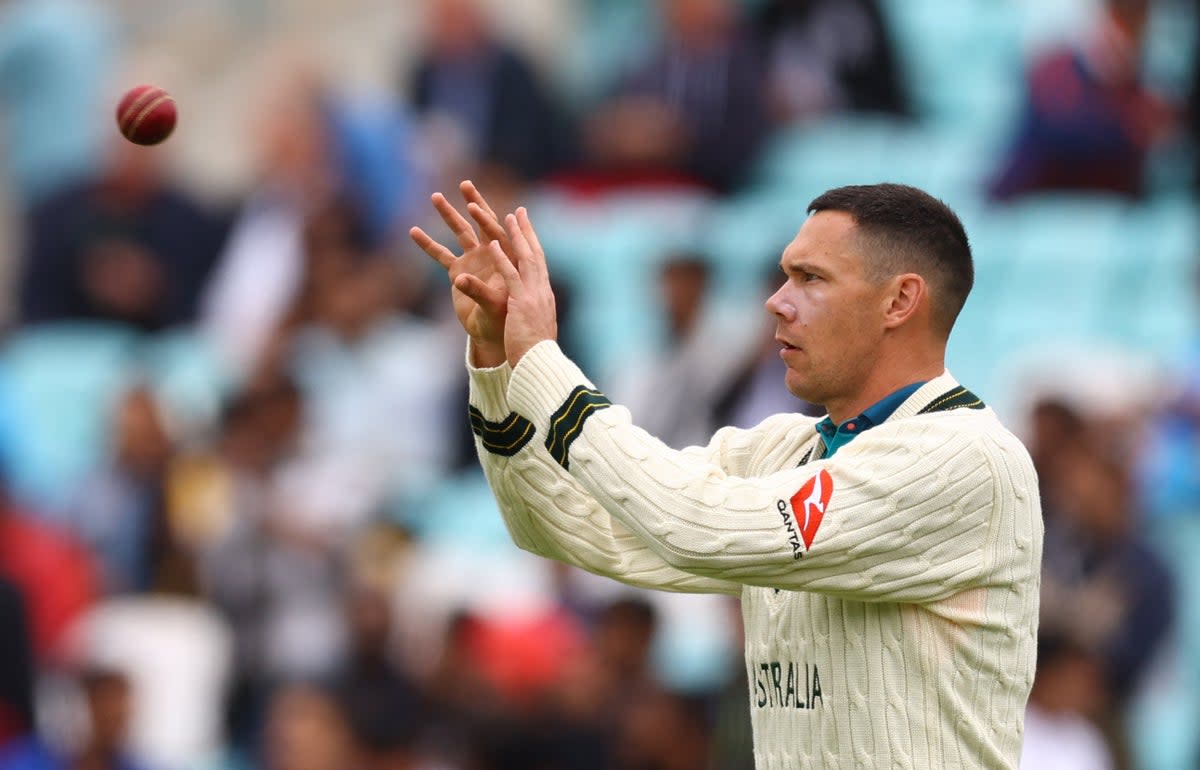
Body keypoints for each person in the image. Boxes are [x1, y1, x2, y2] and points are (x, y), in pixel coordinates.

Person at [411, 181, 1043, 768]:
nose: (776, 301)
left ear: (900, 300)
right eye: (783, 276)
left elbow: (699, 525)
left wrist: (543, 360)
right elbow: (561, 527)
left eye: (810, 278)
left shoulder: (964, 458)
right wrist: (497, 364)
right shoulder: (782, 450)